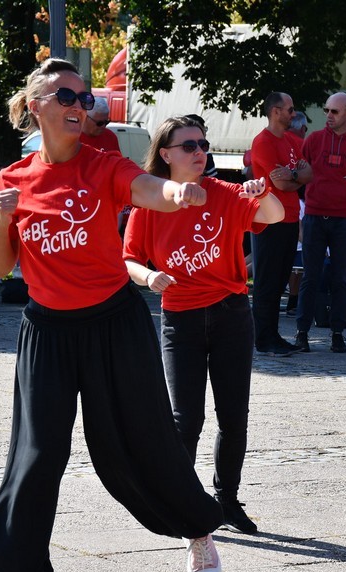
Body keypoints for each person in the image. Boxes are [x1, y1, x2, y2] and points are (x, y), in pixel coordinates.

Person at [0, 58, 225, 572]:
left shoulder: (101, 164)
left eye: (85, 98)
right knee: (39, 448)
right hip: (47, 329)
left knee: (142, 438)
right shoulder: (14, 180)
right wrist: (1, 220)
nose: (78, 106)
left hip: (114, 323)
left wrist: (177, 193)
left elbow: (147, 188)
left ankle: (199, 530)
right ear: (35, 105)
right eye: (65, 95)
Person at [124, 116, 284, 535]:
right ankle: (181, 502)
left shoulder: (223, 192)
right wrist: (148, 277)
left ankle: (227, 500)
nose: (200, 152)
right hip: (180, 320)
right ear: (166, 154)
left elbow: (276, 214)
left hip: (232, 314)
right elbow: (129, 260)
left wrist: (262, 191)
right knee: (184, 420)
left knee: (234, 417)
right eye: (189, 145)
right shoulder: (151, 201)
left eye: (203, 144)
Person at [295, 92, 346, 353]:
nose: (328, 116)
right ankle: (302, 332)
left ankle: (337, 333)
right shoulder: (314, 139)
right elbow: (300, 173)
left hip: (344, 219)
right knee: (310, 276)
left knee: (340, 277)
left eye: (334, 112)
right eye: (327, 110)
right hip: (315, 215)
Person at [249, 91, 312, 356]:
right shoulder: (262, 142)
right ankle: (263, 339)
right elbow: (281, 183)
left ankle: (273, 335)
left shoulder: (292, 140)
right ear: (275, 111)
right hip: (268, 220)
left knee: (278, 282)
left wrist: (295, 175)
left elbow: (308, 173)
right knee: (267, 282)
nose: (293, 114)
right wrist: (295, 177)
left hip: (288, 218)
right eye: (289, 109)